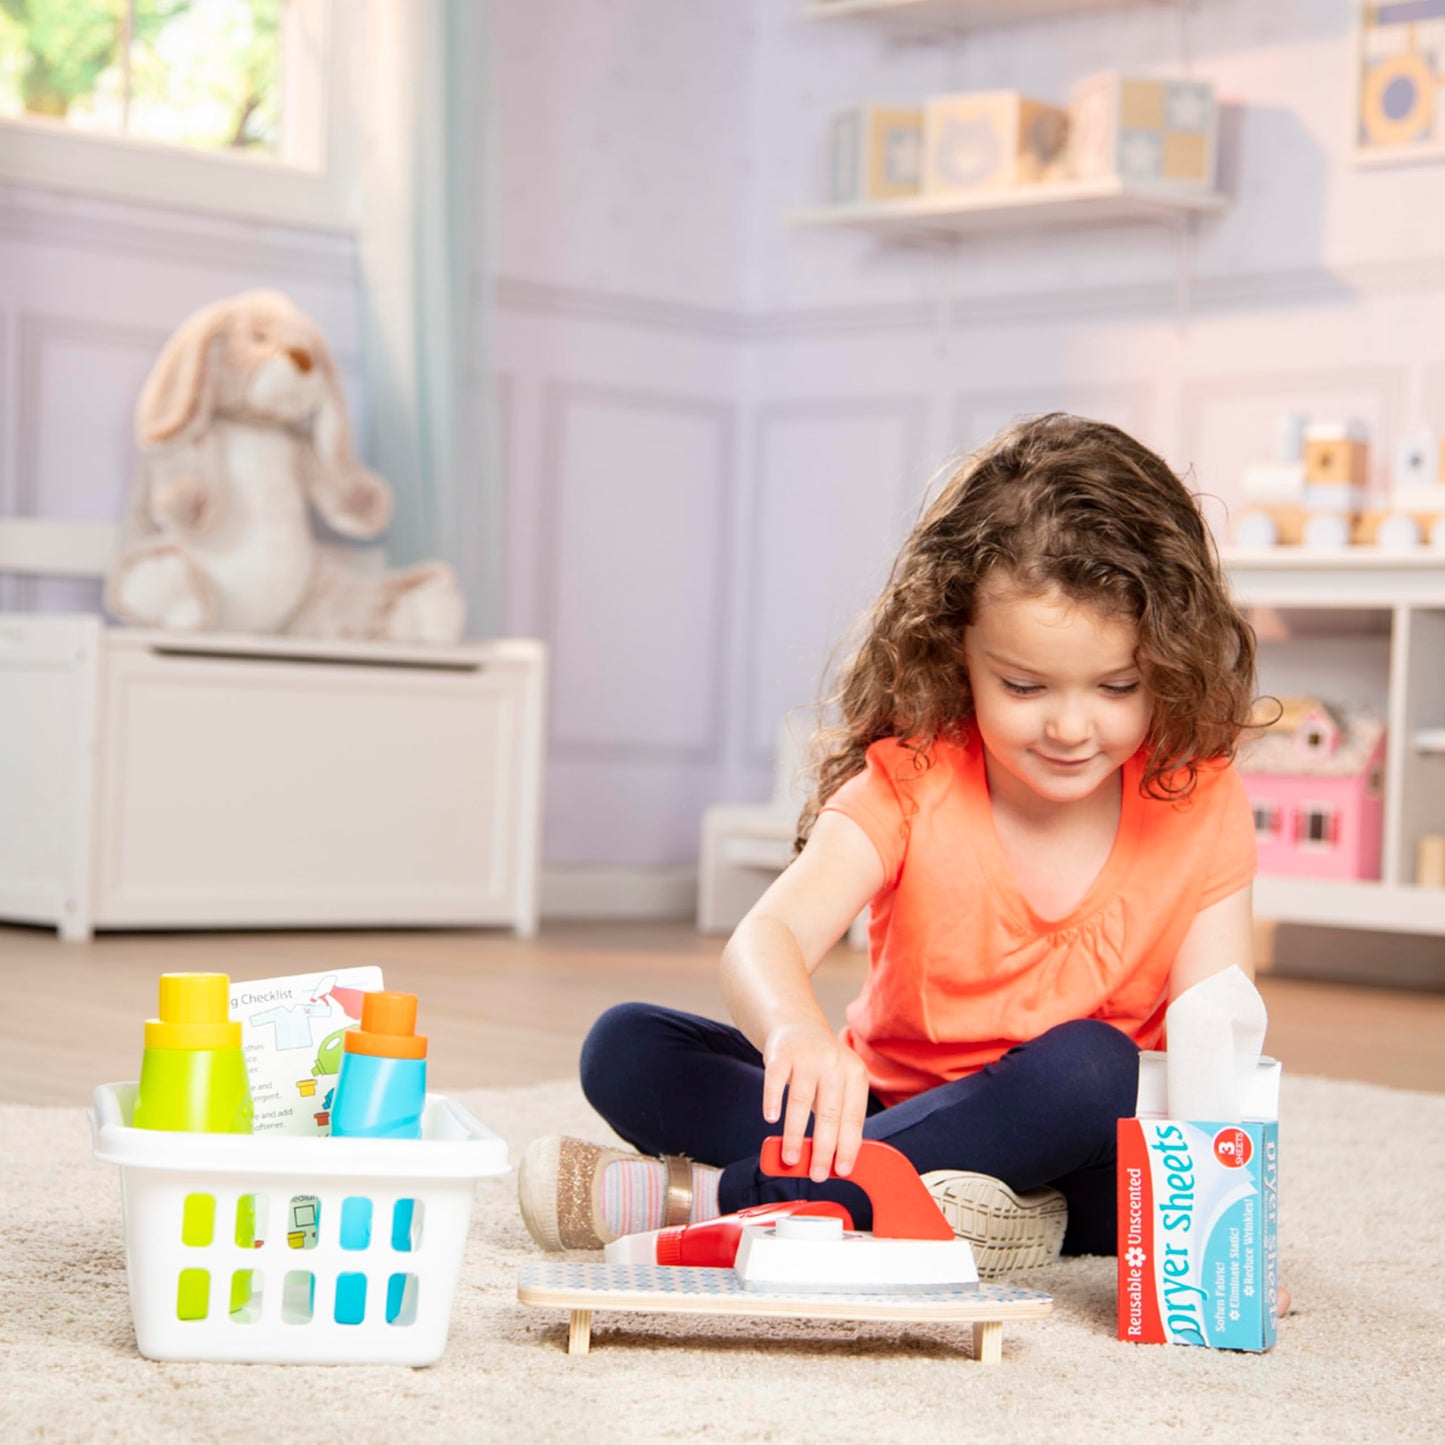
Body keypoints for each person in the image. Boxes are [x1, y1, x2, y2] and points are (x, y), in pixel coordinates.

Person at [518, 412, 1273, 1290]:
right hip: (886, 1114)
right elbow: (765, 941)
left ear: (1169, 662)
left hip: (1080, 1156)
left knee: (1091, 1069)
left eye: (1117, 686)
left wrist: (1227, 1235)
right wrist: (798, 1032)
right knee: (628, 1046)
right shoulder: (914, 777)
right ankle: (929, 1207)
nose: (1071, 726)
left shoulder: (1199, 793)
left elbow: (1217, 1046)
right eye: (1023, 685)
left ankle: (741, 1197)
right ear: (957, 651)